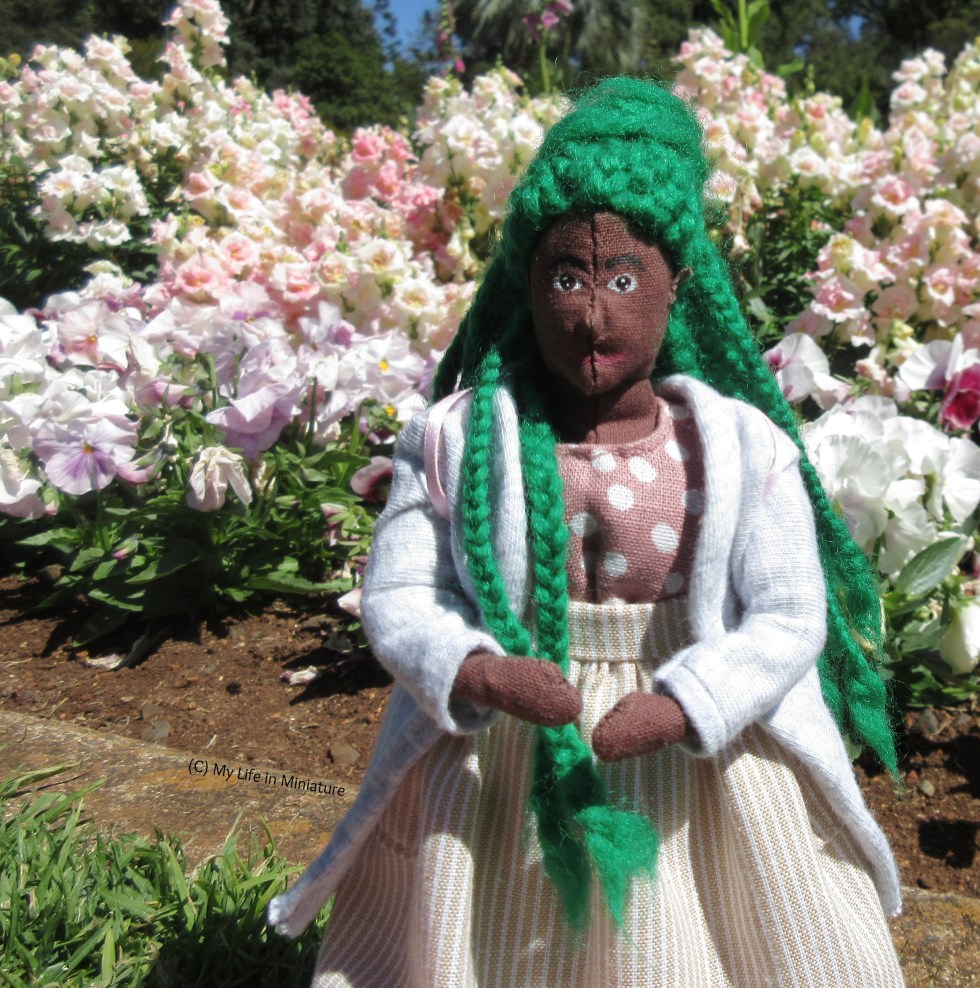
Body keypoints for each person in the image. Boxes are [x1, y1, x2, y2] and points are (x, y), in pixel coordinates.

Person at [269, 77, 905, 987]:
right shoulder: (454, 439)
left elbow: (788, 614)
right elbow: (403, 594)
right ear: (525, 283)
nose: (592, 311)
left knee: (725, 935)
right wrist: (475, 667)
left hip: (701, 757)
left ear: (676, 286)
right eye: (566, 276)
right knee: (490, 924)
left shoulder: (739, 446)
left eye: (621, 277)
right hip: (504, 749)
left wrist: (691, 701)